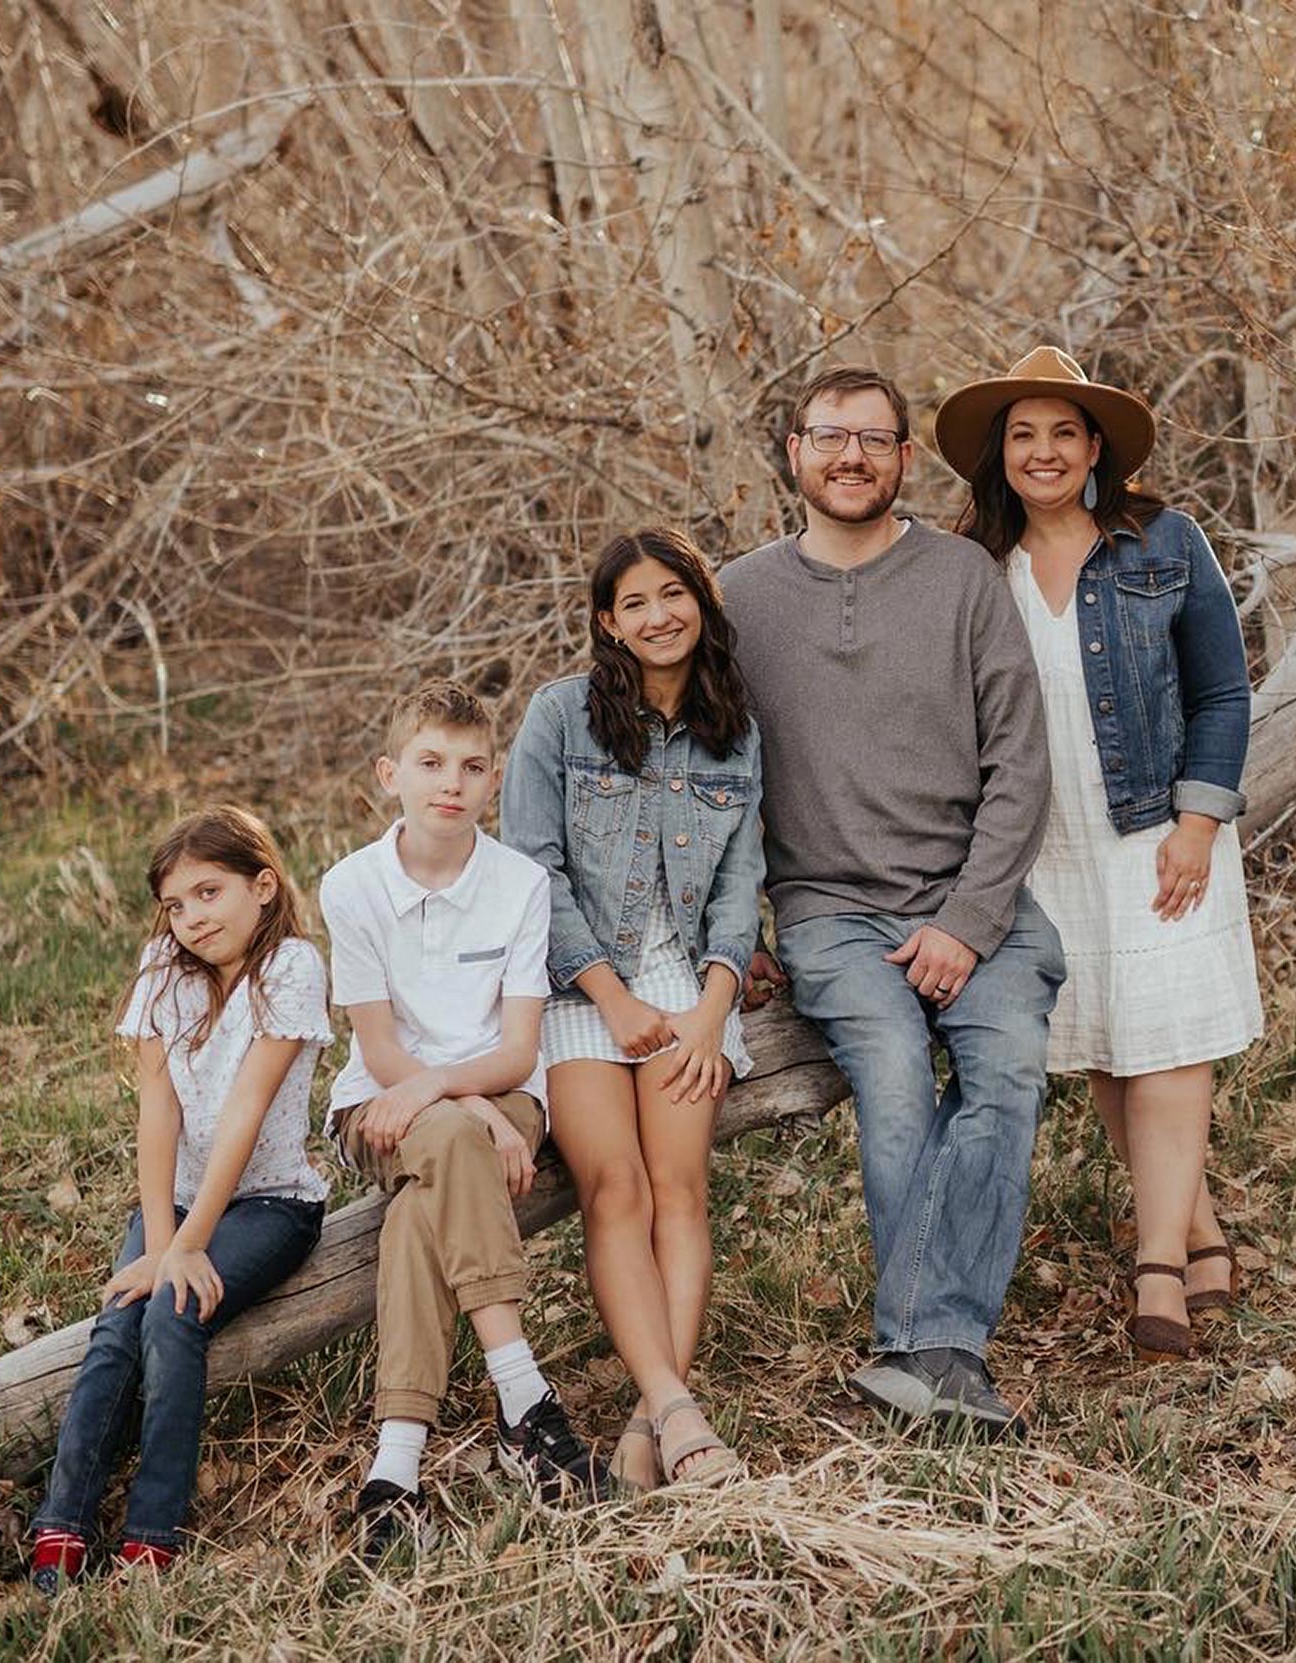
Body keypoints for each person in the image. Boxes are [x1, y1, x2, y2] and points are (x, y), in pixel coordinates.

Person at [717, 365, 1064, 1437]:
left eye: (873, 439)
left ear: (905, 457)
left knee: (1005, 1071)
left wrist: (965, 923)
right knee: (898, 1080)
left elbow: (1021, 762)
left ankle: (927, 1348)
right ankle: (940, 1353)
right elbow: (710, 784)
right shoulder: (736, 596)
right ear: (793, 452)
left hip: (970, 895)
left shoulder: (963, 579)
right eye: (830, 437)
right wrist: (729, 941)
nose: (851, 457)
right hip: (829, 911)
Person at [935, 346, 1262, 1361]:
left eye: (1062, 433)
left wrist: (1198, 824)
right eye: (1022, 434)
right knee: (1114, 1043)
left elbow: (1221, 691)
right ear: (1000, 455)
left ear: (1093, 450)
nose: (1042, 451)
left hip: (1156, 830)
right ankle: (1199, 1229)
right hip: (1044, 841)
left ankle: (1156, 1261)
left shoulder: (1164, 543)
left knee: (1167, 1039)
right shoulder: (970, 569)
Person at [319, 679, 603, 1564]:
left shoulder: (519, 882)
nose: (452, 782)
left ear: (494, 779)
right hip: (386, 1101)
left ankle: (394, 1466)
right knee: (442, 1137)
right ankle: (523, 1396)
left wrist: (479, 1102)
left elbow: (519, 1050)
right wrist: (470, 1107)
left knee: (420, 1208)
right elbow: (381, 1048)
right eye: (431, 763)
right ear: (388, 774)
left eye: (473, 767)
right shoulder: (351, 885)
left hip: (498, 1088)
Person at [502, 528, 764, 1491]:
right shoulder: (560, 716)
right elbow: (535, 866)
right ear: (609, 622)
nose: (659, 616)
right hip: (581, 989)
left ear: (701, 601)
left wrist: (710, 1007)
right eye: (636, 603)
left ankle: (651, 1422)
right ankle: (680, 1413)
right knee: (616, 1187)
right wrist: (610, 998)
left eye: (675, 594)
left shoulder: (734, 729)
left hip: (690, 985)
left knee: (680, 1189)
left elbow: (742, 883)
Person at [27, 805, 332, 1593]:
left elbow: (245, 1111)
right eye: (176, 903)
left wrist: (187, 1250)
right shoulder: (163, 963)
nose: (193, 917)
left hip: (269, 1204)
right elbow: (157, 1108)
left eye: (210, 891)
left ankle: (153, 1533)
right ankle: (61, 1524)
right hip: (176, 1205)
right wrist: (162, 1239)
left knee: (173, 1311)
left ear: (262, 885)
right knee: (117, 1323)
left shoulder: (293, 966)